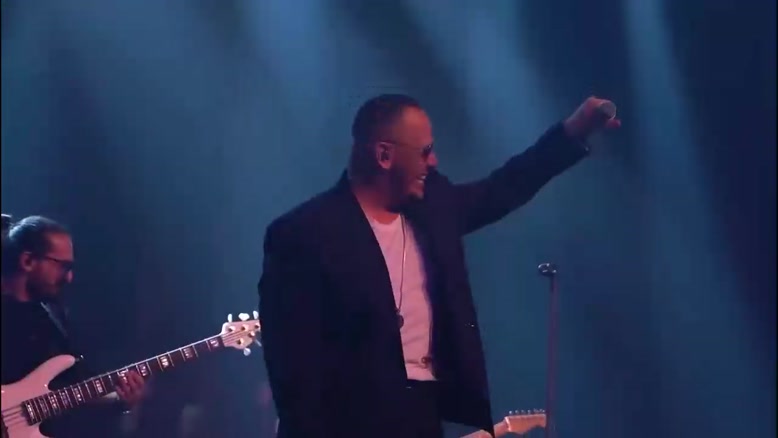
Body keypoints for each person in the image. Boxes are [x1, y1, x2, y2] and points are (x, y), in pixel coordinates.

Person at [258, 94, 620, 437]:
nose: (433, 162)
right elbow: (293, 373)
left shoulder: (433, 208)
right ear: (384, 155)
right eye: (425, 151)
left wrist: (573, 132)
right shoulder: (304, 234)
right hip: (348, 423)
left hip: (423, 417)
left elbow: (504, 187)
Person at [1, 215, 147, 438]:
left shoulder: (53, 318)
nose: (69, 277)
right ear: (27, 261)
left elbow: (76, 390)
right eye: (63, 266)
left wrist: (121, 399)